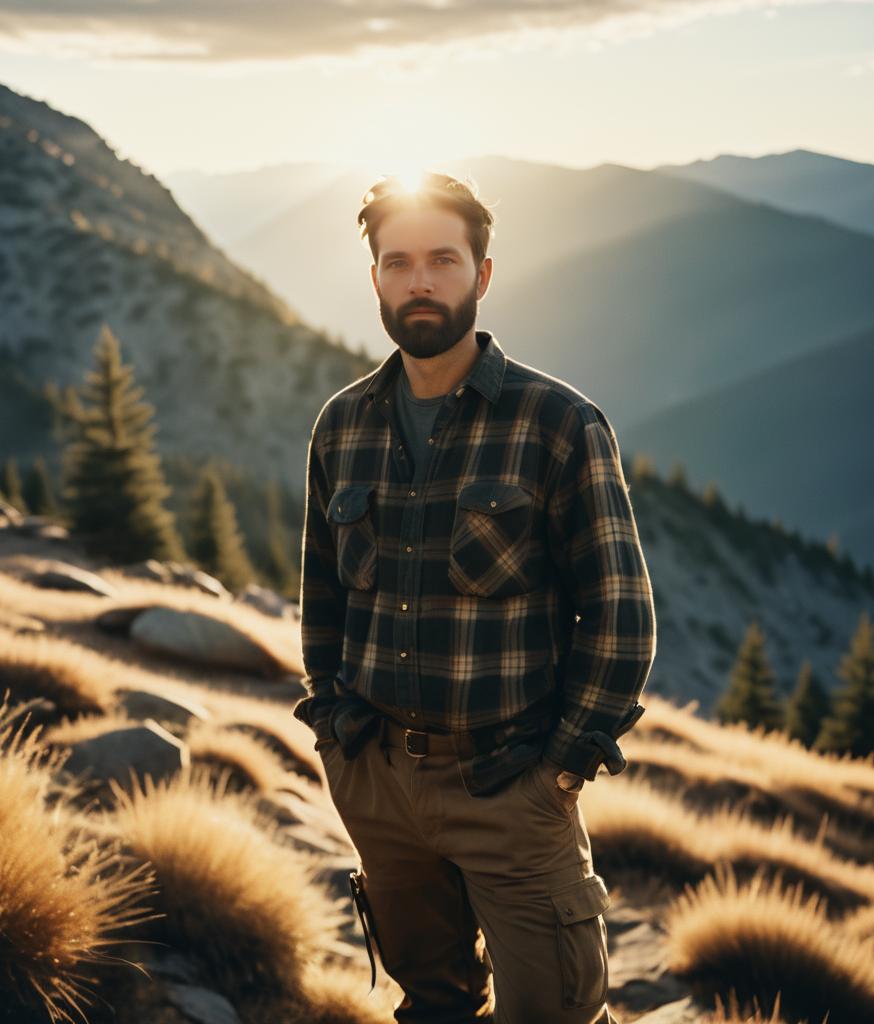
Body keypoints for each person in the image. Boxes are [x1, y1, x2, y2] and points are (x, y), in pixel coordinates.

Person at [293, 170, 657, 1024]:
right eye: (398, 263)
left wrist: (559, 770)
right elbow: (321, 596)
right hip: (378, 781)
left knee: (557, 1015)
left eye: (443, 261)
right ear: (375, 277)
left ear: (482, 275)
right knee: (434, 1005)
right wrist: (337, 736)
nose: (420, 281)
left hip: (511, 787)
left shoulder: (558, 422)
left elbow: (619, 614)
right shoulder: (342, 425)